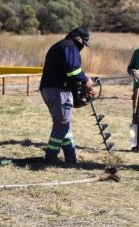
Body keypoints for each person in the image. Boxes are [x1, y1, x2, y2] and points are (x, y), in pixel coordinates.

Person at [39, 27, 94, 164]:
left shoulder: (59, 45)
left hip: (50, 89)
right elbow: (73, 71)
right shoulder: (69, 47)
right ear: (78, 39)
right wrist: (86, 80)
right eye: (83, 43)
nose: (82, 47)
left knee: (64, 123)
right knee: (62, 123)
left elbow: (67, 71)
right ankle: (51, 156)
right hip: (59, 91)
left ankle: (71, 155)